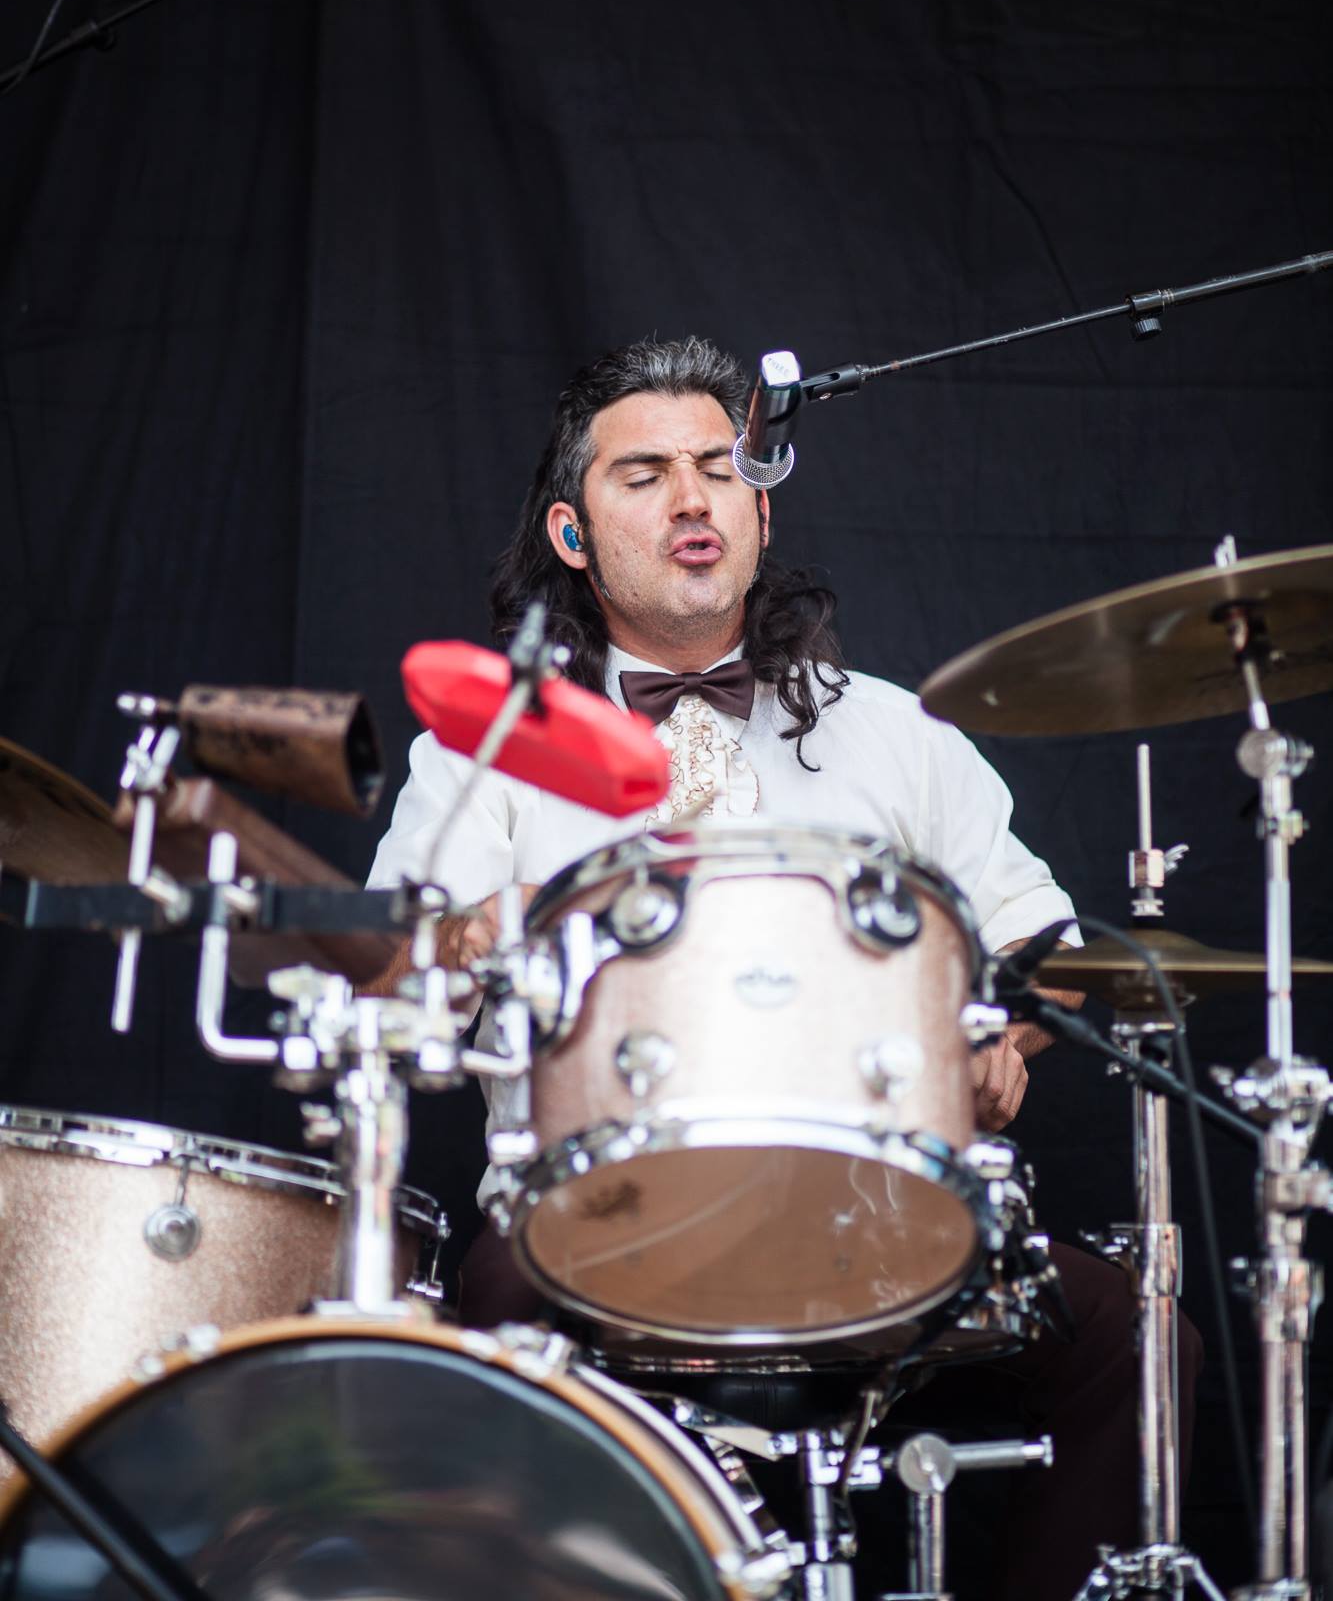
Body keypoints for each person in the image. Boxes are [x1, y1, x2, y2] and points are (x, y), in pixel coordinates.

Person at [368, 334, 1201, 1601]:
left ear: (762, 511)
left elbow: (1053, 945)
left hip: (880, 1217)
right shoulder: (486, 745)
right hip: (585, 1223)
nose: (691, 498)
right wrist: (492, 923)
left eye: (720, 468)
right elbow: (385, 973)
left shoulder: (893, 727)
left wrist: (1000, 1033)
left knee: (1138, 1339)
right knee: (485, 1330)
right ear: (572, 532)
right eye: (644, 474)